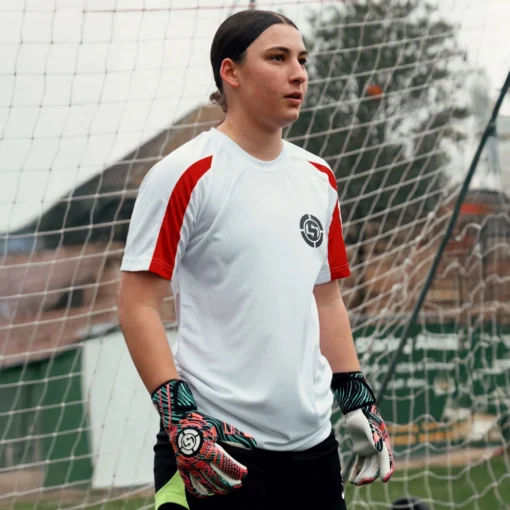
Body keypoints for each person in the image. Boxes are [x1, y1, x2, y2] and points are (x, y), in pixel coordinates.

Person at [117, 9, 394, 510]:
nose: (299, 73)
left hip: (313, 448)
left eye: (303, 60)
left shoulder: (318, 177)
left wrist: (354, 390)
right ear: (231, 72)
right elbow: (137, 304)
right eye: (278, 57)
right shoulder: (185, 173)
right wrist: (178, 415)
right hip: (217, 447)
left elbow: (326, 299)